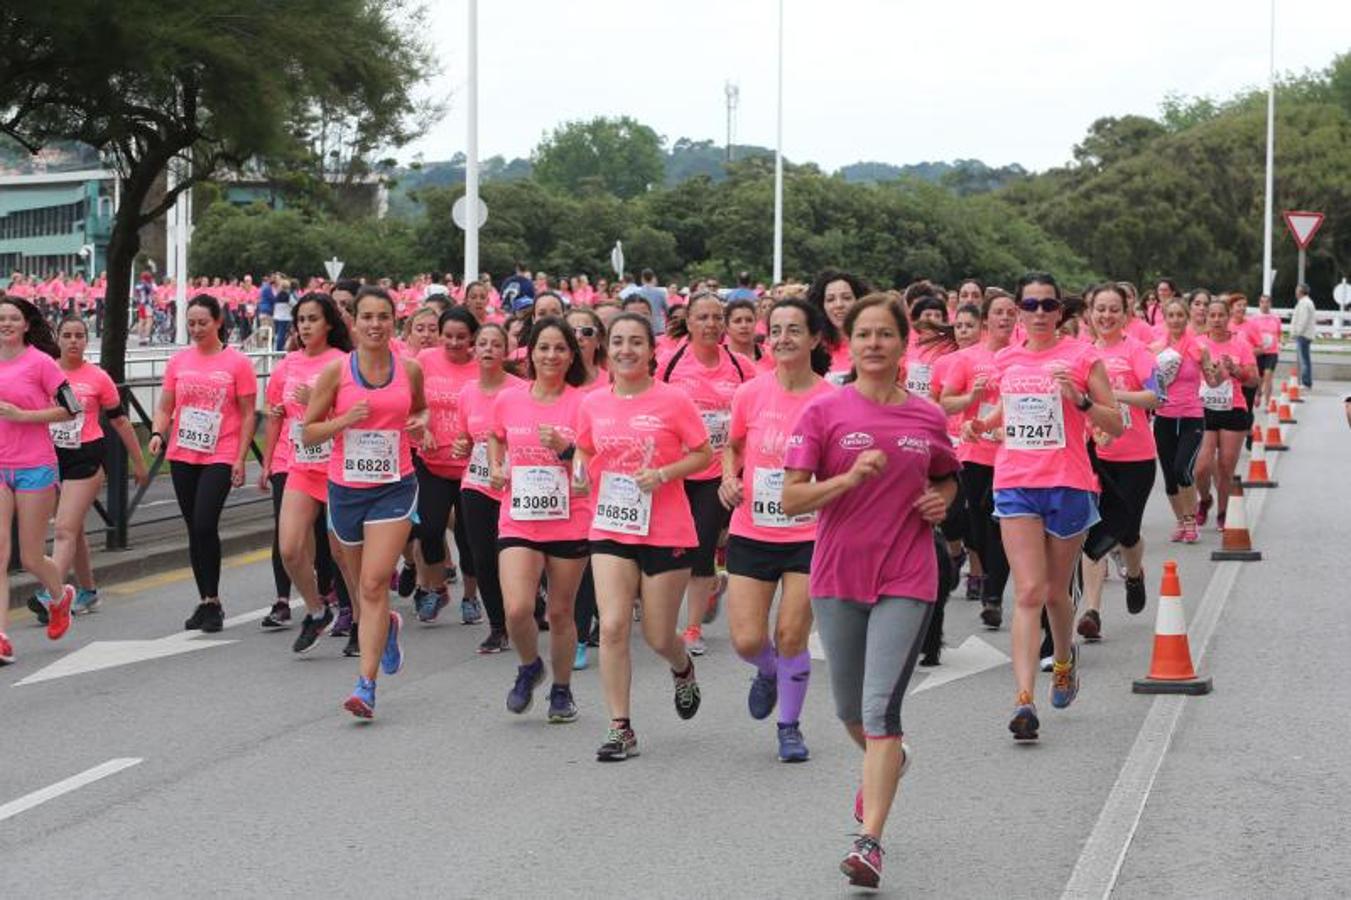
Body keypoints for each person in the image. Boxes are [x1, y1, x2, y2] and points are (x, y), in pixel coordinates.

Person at [780, 294, 958, 889]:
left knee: (882, 710)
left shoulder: (926, 416)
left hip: (907, 574)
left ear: (903, 343)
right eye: (864, 335)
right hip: (837, 575)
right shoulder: (824, 414)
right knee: (849, 711)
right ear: (847, 344)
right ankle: (892, 759)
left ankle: (869, 841)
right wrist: (848, 479)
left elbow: (946, 476)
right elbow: (792, 497)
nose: (875, 344)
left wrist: (942, 503)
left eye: (886, 335)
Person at [963, 273, 1122, 742]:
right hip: (1015, 484)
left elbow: (1115, 418)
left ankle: (1066, 661)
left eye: (1046, 305)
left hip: (1068, 485)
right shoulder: (1005, 359)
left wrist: (1080, 399)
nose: (1037, 313)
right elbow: (1008, 413)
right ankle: (1024, 700)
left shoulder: (1080, 357)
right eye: (1028, 305)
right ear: (1016, 309)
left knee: (1056, 592)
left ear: (1059, 311)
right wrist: (982, 425)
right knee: (1029, 591)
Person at [574, 313, 712, 762]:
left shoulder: (673, 401)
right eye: (617, 342)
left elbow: (704, 453)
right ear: (606, 348)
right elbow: (584, 447)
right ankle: (621, 728)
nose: (626, 349)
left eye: (636, 342)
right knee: (612, 627)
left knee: (656, 635)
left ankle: (682, 666)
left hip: (665, 528)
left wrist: (665, 474)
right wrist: (579, 473)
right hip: (611, 524)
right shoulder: (593, 403)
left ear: (652, 351)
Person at [302, 286, 427, 718]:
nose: (375, 325)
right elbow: (309, 430)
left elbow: (423, 410)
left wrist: (420, 425)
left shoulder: (409, 370)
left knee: (374, 583)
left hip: (395, 486)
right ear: (353, 323)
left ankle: (366, 685)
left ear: (395, 323)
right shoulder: (337, 373)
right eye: (367, 317)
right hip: (346, 489)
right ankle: (386, 626)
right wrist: (344, 420)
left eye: (383, 317)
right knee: (359, 590)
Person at [720, 298, 835, 762]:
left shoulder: (831, 399)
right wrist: (730, 478)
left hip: (809, 533)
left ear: (813, 339)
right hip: (752, 529)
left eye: (794, 330)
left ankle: (789, 726)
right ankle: (769, 671)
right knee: (748, 640)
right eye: (777, 331)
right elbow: (733, 446)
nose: (783, 339)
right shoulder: (750, 393)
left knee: (791, 634)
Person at [490, 317, 593, 722]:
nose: (551, 355)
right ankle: (530, 665)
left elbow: (590, 474)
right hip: (519, 518)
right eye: (543, 348)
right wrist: (498, 467)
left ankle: (562, 690)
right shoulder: (509, 399)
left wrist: (568, 450)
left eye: (560, 348)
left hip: (569, 519)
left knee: (561, 613)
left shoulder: (585, 404)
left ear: (572, 356)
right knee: (517, 608)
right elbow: (496, 435)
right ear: (530, 353)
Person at [149, 295, 258, 633]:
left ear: (218, 321)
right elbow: (165, 406)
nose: (196, 329)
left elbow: (248, 413)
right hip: (182, 452)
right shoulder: (178, 361)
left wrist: (241, 457)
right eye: (191, 323)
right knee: (193, 529)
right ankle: (208, 600)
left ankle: (211, 602)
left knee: (204, 523)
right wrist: (157, 432)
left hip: (221, 451)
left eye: (203, 323)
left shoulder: (237, 363)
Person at [32, 316, 150, 623]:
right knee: (75, 529)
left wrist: (138, 463)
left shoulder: (98, 378)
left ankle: (52, 594)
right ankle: (87, 591)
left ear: (87, 340)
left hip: (86, 457)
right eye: (67, 335)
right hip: (49, 456)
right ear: (57, 339)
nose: (73, 341)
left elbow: (121, 421)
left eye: (79, 335)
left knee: (63, 529)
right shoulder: (45, 371)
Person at [256, 293, 352, 653]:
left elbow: (357, 413)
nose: (306, 326)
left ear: (328, 323)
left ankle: (360, 619)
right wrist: (267, 463)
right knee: (291, 549)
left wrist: (318, 397)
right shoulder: (287, 364)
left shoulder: (344, 363)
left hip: (338, 466)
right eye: (301, 320)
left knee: (342, 553)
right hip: (299, 463)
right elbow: (276, 414)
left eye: (313, 318)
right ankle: (316, 609)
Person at [659, 291, 754, 655]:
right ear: (689, 321)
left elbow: (753, 410)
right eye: (703, 317)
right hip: (678, 469)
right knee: (672, 549)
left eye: (718, 317)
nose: (711, 325)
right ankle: (700, 593)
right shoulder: (670, 364)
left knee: (700, 548)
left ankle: (693, 628)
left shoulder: (742, 367)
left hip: (719, 471)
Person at [1076, 284, 1161, 642]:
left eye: (1114, 309)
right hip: (1094, 456)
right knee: (1093, 533)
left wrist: (1113, 396)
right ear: (1089, 313)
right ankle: (1092, 611)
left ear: (1126, 314)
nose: (1106, 316)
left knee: (1127, 533)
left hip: (1136, 458)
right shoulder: (1082, 354)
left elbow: (1155, 395)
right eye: (1100, 309)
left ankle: (1135, 572)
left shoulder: (1136, 351)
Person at [0, 297, 81, 663]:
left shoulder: (41, 363)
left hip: (35, 466)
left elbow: (72, 407)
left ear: (26, 325)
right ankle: (1, 638)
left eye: (13, 318)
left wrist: (23, 415)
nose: (6, 324)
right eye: (0, 318)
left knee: (31, 556)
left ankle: (60, 596)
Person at [943, 292, 1018, 629]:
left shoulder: (1023, 357)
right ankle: (981, 570)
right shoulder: (967, 358)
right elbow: (946, 404)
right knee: (977, 526)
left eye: (1010, 312)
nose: (1005, 318)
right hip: (973, 454)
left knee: (999, 525)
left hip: (1012, 455)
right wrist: (971, 398)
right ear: (986, 320)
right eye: (998, 313)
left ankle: (993, 596)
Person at [455, 323, 525, 653]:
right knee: (483, 556)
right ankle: (498, 627)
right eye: (482, 343)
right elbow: (465, 438)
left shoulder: (520, 390)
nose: (487, 349)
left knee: (515, 555)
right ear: (474, 349)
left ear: (505, 351)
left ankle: (526, 604)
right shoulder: (467, 392)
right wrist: (460, 447)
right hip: (478, 482)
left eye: (495, 344)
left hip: (516, 485)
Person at [414, 307, 482, 624]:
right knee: (428, 529)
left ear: (473, 338)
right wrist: (421, 428)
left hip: (471, 468)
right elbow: (411, 403)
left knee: (470, 538)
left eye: (462, 337)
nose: (454, 343)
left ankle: (471, 596)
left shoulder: (481, 366)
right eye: (448, 336)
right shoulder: (425, 360)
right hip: (432, 463)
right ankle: (438, 588)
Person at [565, 307, 609, 669]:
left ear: (599, 339)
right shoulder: (552, 380)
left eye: (587, 331)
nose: (579, 337)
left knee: (586, 563)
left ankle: (580, 634)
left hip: (596, 486)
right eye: (572, 331)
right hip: (548, 487)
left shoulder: (609, 383)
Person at [1193, 297, 1258, 533]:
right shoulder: (1198, 344)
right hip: (1204, 409)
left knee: (1225, 466)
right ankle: (1205, 499)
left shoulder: (1241, 345)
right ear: (1206, 318)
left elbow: (1254, 379)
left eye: (1221, 315)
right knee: (1201, 467)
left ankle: (1222, 512)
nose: (1217, 319)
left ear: (1228, 317)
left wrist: (1235, 370)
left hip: (1233, 409)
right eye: (1212, 315)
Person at [1151, 296, 1210, 543]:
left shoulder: (1198, 348)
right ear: (1165, 318)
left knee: (1182, 468)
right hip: (1164, 416)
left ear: (1187, 318)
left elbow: (1213, 380)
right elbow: (1148, 383)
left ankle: (1190, 519)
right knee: (1169, 475)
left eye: (1180, 315)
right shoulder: (1155, 349)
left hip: (1191, 416)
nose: (1175, 320)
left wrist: (1220, 372)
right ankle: (1180, 520)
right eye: (1171, 315)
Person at [806, 269, 869, 383]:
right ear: (821, 306)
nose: (839, 305)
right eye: (830, 299)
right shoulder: (812, 350)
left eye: (846, 298)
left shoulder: (874, 345)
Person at [1244, 294, 1283, 409]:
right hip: (1259, 351)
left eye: (1267, 302)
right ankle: (1258, 393)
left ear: (1270, 304)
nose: (1265, 304)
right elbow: (1249, 336)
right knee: (1259, 378)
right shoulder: (1253, 319)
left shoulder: (1276, 318)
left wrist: (1280, 342)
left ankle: (1268, 403)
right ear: (1259, 304)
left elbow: (1279, 333)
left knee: (1268, 375)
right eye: (1262, 302)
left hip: (1272, 351)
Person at [1290, 283, 1316, 390]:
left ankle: (1306, 382)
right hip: (1305, 334)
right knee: (1305, 359)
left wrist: (1297, 332)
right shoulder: (1305, 302)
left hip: (1303, 335)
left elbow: (1303, 320)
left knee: (1304, 360)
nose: (1296, 292)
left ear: (1301, 291)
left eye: (1297, 290)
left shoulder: (1305, 303)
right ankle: (1306, 381)